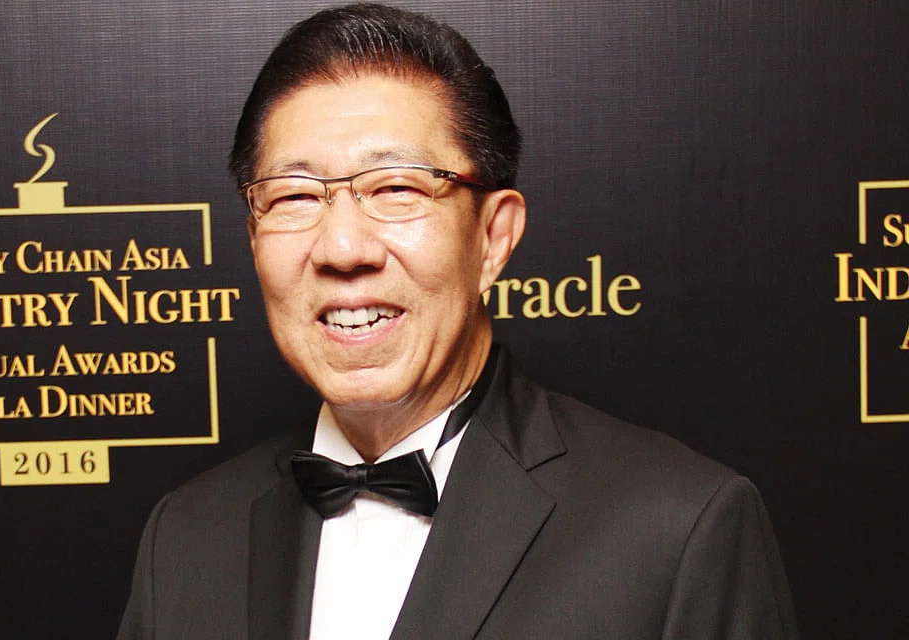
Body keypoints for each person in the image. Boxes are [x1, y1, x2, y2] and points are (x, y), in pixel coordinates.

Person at [117, 4, 799, 638]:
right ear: (254, 237)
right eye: (294, 197)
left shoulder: (678, 527)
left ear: (493, 238)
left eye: (397, 187)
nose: (342, 248)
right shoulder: (185, 535)